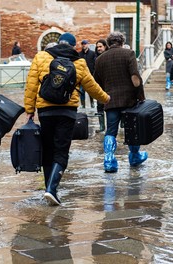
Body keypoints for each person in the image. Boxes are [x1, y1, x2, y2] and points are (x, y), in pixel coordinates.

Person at [24, 32, 110, 205]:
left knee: (47, 149)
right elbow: (91, 86)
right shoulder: (79, 62)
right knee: (61, 150)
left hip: (45, 110)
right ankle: (52, 189)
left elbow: (31, 85)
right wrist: (106, 98)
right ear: (73, 46)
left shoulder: (41, 57)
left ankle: (49, 187)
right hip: (67, 112)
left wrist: (29, 109)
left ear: (57, 43)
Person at [94, 31, 148, 173]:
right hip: (129, 100)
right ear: (122, 42)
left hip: (110, 101)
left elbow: (96, 82)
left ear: (108, 43)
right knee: (132, 130)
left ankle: (109, 160)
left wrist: (103, 96)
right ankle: (135, 156)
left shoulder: (100, 59)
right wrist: (141, 96)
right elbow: (135, 78)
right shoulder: (128, 54)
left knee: (111, 130)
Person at [94, 39, 109, 133]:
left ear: (105, 46)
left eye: (100, 46)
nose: (99, 48)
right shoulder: (96, 58)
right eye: (97, 47)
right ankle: (102, 126)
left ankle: (112, 126)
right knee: (99, 106)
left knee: (109, 106)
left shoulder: (108, 56)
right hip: (99, 85)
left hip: (108, 85)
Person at [78, 39, 97, 108]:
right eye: (83, 44)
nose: (84, 45)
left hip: (90, 75)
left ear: (87, 44)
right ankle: (83, 105)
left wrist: (94, 73)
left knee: (90, 90)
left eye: (85, 44)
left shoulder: (92, 53)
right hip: (82, 76)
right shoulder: (79, 54)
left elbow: (95, 64)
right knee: (81, 91)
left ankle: (92, 103)